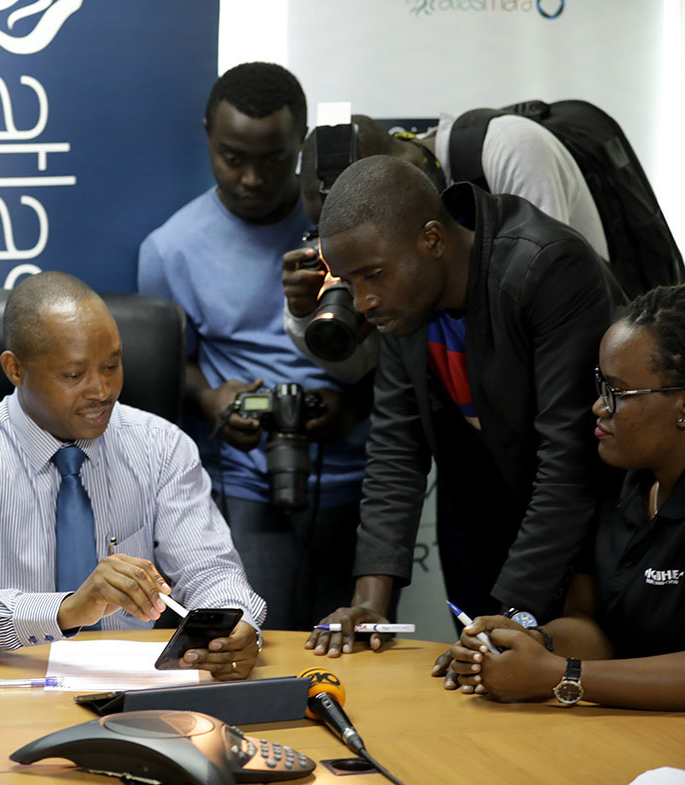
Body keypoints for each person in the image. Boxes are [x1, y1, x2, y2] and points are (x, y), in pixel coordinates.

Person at [305, 155, 623, 658]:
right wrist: (369, 601)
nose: (362, 301)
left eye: (372, 276)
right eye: (349, 282)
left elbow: (569, 461)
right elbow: (395, 451)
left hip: (577, 531)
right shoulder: (403, 303)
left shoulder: (545, 266)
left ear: (432, 240)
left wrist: (512, 611)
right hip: (481, 515)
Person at [0, 272, 265, 681]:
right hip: (9, 684)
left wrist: (234, 624)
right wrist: (67, 609)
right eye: (73, 376)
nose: (101, 390)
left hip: (131, 687)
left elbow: (209, 571)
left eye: (112, 365)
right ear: (15, 370)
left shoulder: (162, 446)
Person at [138, 62, 368, 630]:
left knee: (354, 646)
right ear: (209, 137)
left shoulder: (350, 229)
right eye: (232, 157)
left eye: (272, 159)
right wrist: (211, 401)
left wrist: (355, 407)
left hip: (357, 473)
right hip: (247, 479)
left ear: (302, 142)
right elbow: (174, 366)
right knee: (260, 640)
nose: (251, 178)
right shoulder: (171, 250)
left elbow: (403, 344)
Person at [445, 285, 685, 711]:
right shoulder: (618, 483)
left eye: (617, 391)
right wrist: (533, 642)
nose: (597, 407)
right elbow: (593, 626)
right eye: (599, 385)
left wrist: (563, 676)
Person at [284, 113, 608, 382]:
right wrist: (306, 315)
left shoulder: (510, 148)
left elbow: (542, 301)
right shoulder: (384, 273)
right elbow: (364, 368)